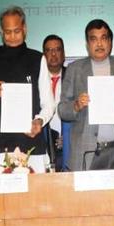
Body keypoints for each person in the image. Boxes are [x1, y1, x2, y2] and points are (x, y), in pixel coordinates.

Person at [0, 6, 55, 173]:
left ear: (25, 29)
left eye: (16, 31)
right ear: (1, 33)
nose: (12, 36)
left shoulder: (38, 59)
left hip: (31, 146)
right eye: (8, 32)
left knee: (35, 198)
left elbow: (49, 104)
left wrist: (39, 121)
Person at [58, 20, 114, 170]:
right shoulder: (75, 69)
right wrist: (76, 105)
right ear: (87, 44)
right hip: (87, 151)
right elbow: (62, 109)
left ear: (110, 42)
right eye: (94, 39)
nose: (99, 44)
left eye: (104, 38)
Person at [42, 34, 67, 171]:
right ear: (43, 55)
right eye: (49, 50)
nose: (53, 54)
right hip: (43, 144)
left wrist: (69, 136)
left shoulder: (73, 77)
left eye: (57, 50)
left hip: (68, 144)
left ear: (63, 54)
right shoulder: (35, 81)